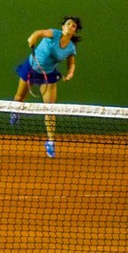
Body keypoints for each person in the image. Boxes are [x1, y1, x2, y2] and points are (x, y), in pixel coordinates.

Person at [11, 16, 82, 158]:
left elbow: (71, 63)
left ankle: (50, 142)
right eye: (68, 24)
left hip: (48, 76)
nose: (70, 26)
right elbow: (38, 33)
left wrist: (70, 72)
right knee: (19, 97)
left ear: (75, 31)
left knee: (50, 108)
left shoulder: (70, 48)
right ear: (63, 27)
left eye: (73, 26)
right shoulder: (53, 33)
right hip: (31, 68)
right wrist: (32, 37)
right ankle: (15, 112)